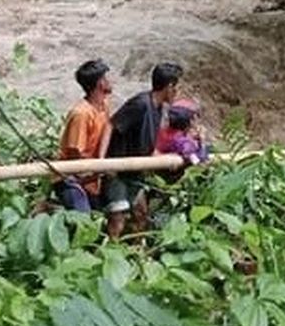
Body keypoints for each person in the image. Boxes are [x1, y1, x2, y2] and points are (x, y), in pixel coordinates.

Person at [103, 62, 183, 238]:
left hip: (135, 172)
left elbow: (147, 145)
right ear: (169, 87)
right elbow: (112, 125)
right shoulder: (140, 104)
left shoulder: (159, 108)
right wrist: (104, 162)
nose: (177, 92)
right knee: (118, 218)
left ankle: (137, 255)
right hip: (119, 171)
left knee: (141, 215)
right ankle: (109, 254)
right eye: (176, 87)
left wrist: (166, 159)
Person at [54, 60, 113, 212]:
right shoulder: (81, 114)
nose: (110, 81)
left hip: (92, 174)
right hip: (71, 178)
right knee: (83, 219)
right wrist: (92, 175)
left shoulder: (104, 105)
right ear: (100, 83)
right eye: (106, 78)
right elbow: (75, 153)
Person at [155, 99, 210, 166]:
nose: (196, 122)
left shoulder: (161, 132)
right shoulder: (184, 143)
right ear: (189, 121)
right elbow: (199, 162)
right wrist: (203, 141)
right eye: (194, 118)